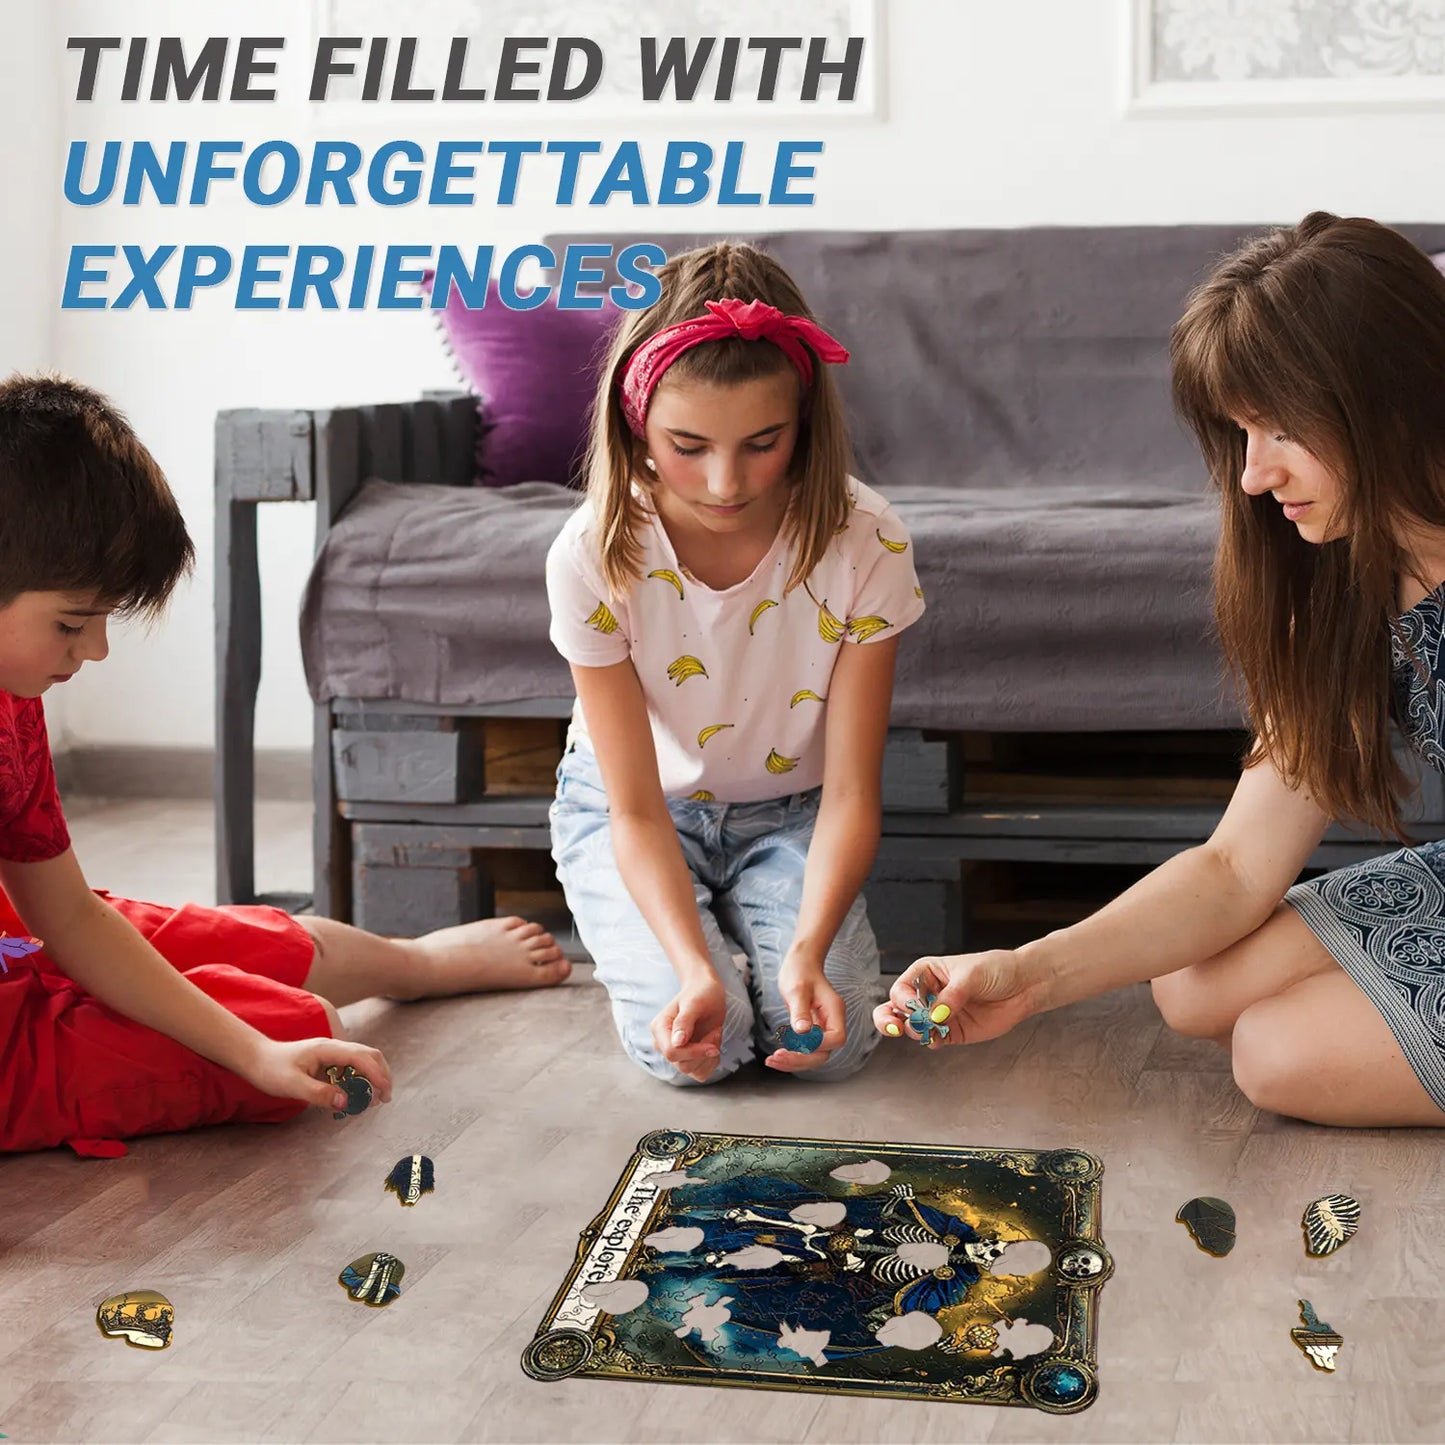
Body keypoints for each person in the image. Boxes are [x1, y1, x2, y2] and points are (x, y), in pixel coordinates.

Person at [874, 212, 1445, 1129]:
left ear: (1384, 397)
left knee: (1277, 1053)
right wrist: (1024, 972)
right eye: (1239, 433)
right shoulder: (1338, 574)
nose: (1254, 475)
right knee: (1189, 982)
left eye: (1279, 429)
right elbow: (1232, 867)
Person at [0, 373, 570, 1156]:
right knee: (302, 1036)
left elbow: (65, 914)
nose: (95, 650)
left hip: (21, 938)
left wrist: (250, 1051)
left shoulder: (14, 696)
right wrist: (255, 1052)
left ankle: (410, 963)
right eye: (72, 622)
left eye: (101, 621)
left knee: (284, 954)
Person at [546, 242, 925, 1085]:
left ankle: (758, 954)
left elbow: (853, 790)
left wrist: (808, 951)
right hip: (635, 814)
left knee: (831, 1045)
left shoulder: (868, 540)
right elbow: (635, 811)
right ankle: (713, 952)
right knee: (690, 1054)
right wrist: (691, 969)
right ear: (636, 423)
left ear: (804, 421)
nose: (724, 482)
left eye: (762, 443)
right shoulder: (592, 553)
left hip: (793, 813)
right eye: (688, 445)